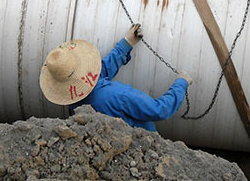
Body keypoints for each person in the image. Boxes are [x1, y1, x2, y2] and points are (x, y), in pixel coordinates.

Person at [39, 24, 193, 131]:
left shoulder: (75, 100)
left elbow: (99, 73)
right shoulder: (119, 96)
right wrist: (181, 83)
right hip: (141, 151)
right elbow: (159, 110)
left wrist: (126, 44)